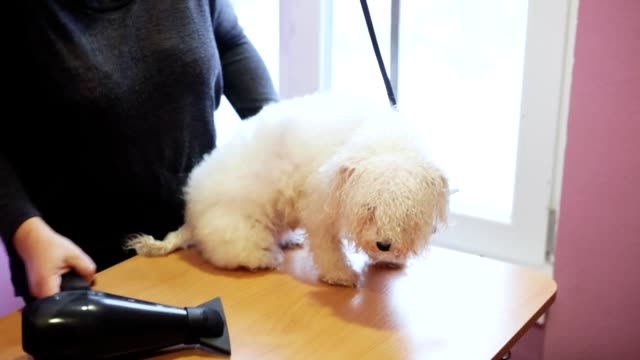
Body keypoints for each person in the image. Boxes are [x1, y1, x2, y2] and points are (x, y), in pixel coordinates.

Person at [1, 0, 278, 303]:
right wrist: (27, 232)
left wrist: (282, 140)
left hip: (202, 239)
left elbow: (229, 42)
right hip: (85, 267)